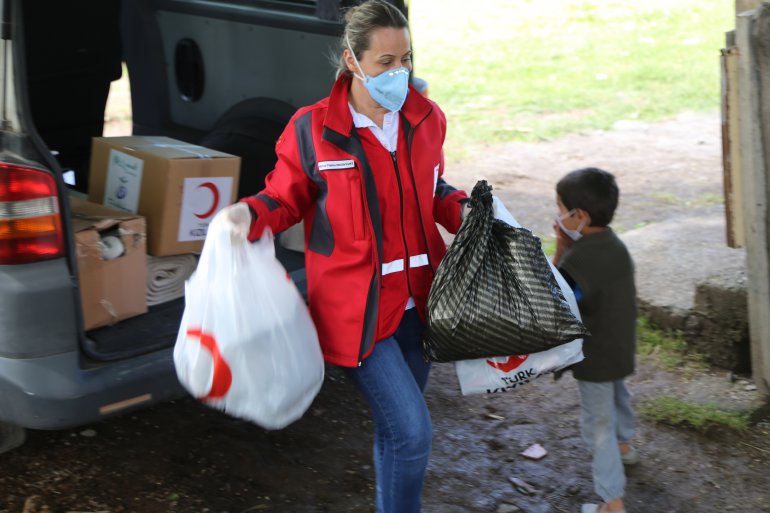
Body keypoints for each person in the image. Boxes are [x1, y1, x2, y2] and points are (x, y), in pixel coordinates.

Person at [220, 1, 468, 511]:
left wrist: (469, 210)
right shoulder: (312, 129)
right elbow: (284, 198)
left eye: (407, 59)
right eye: (385, 62)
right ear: (352, 61)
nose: (399, 73)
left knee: (396, 431)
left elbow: (432, 187)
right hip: (359, 315)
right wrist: (246, 215)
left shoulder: (426, 119)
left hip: (419, 306)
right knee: (414, 432)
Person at [551, 167, 638, 513]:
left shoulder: (582, 258)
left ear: (579, 216)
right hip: (620, 347)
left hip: (596, 356)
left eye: (560, 208)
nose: (558, 215)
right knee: (619, 397)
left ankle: (611, 500)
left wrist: (561, 249)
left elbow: (558, 297)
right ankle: (625, 447)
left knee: (597, 424)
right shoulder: (614, 244)